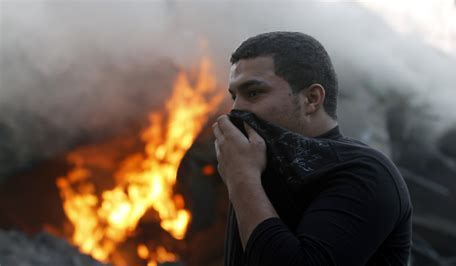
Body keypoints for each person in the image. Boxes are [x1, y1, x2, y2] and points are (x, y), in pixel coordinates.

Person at [212, 31, 412, 266]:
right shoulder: (261, 166)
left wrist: (242, 179)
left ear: (312, 99)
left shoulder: (365, 172)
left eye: (253, 93)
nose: (236, 110)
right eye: (234, 96)